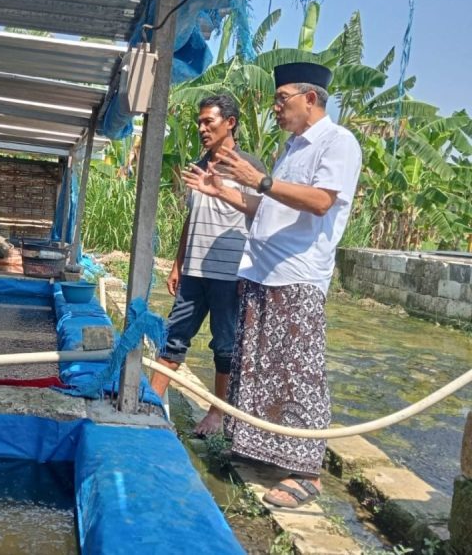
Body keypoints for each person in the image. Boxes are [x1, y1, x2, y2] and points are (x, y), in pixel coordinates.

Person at [182, 62, 362, 509]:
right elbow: (265, 208)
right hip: (261, 273)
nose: (276, 107)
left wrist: (259, 178)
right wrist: (220, 190)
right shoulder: (290, 148)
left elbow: (321, 201)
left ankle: (306, 473)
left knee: (298, 373)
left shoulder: (337, 143)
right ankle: (264, 453)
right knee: (260, 370)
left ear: (311, 99)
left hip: (298, 275)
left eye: (282, 99)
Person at [150, 94, 265, 436]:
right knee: (174, 336)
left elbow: (263, 215)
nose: (201, 128)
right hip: (194, 272)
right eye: (199, 122)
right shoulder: (199, 165)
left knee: (225, 346)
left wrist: (252, 272)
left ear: (230, 123)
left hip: (230, 275)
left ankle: (217, 414)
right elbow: (191, 218)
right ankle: (150, 401)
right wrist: (178, 263)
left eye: (208, 122)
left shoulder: (248, 168)